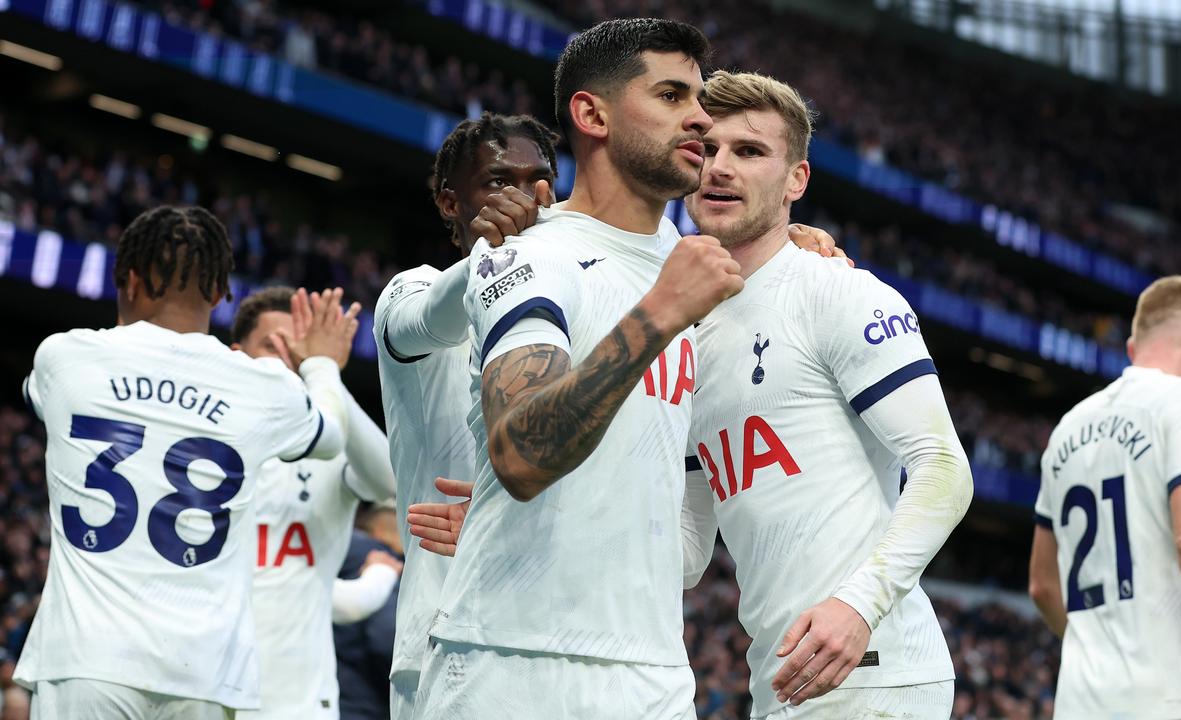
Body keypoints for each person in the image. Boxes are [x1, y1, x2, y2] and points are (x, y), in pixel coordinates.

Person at [411, 70, 972, 719]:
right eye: (708, 150)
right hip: (783, 675)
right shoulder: (687, 328)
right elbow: (682, 547)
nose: (720, 168)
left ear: (797, 180)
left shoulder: (839, 292)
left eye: (751, 151)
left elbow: (945, 468)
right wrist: (527, 522)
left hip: (874, 666)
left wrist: (859, 607)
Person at [417, 17, 738, 719]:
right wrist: (657, 315)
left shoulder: (695, 273)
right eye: (672, 96)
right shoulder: (530, 254)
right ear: (592, 113)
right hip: (510, 663)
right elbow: (520, 453)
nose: (701, 120)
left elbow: (682, 541)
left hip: (652, 672)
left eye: (701, 99)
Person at [14, 206, 353, 718]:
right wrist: (324, 361)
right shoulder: (264, 386)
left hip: (87, 658)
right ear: (221, 294)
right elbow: (330, 436)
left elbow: (39, 397)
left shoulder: (64, 359)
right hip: (205, 672)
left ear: (127, 280)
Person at [372, 111, 559, 719]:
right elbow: (432, 317)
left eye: (539, 180)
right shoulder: (412, 290)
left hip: (559, 637)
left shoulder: (569, 306)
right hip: (443, 637)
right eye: (500, 181)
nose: (525, 198)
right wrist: (491, 254)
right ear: (450, 202)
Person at [1029, 276, 1181, 720]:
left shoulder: (1065, 429)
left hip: (1081, 703)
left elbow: (1041, 585)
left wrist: (1094, 652)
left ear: (1133, 349)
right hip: (1178, 700)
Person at [229, 286, 397, 719]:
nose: (290, 357)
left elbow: (386, 479)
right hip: (205, 691)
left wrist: (325, 373)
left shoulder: (333, 451)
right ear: (236, 354)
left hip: (297, 703)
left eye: (300, 347)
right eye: (274, 344)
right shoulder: (206, 444)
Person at [333, 503, 404, 720]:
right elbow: (387, 637)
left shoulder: (327, 553)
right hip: (364, 706)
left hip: (322, 699)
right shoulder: (384, 561)